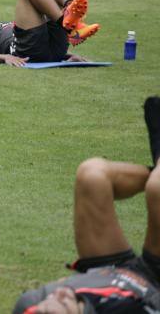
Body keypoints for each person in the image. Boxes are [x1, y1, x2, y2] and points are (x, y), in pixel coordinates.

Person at [13, 97, 160, 313]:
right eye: (64, 303)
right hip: (153, 279)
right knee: (157, 189)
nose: (59, 292)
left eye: (46, 303)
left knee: (92, 175)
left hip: (104, 271)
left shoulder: (29, 306)